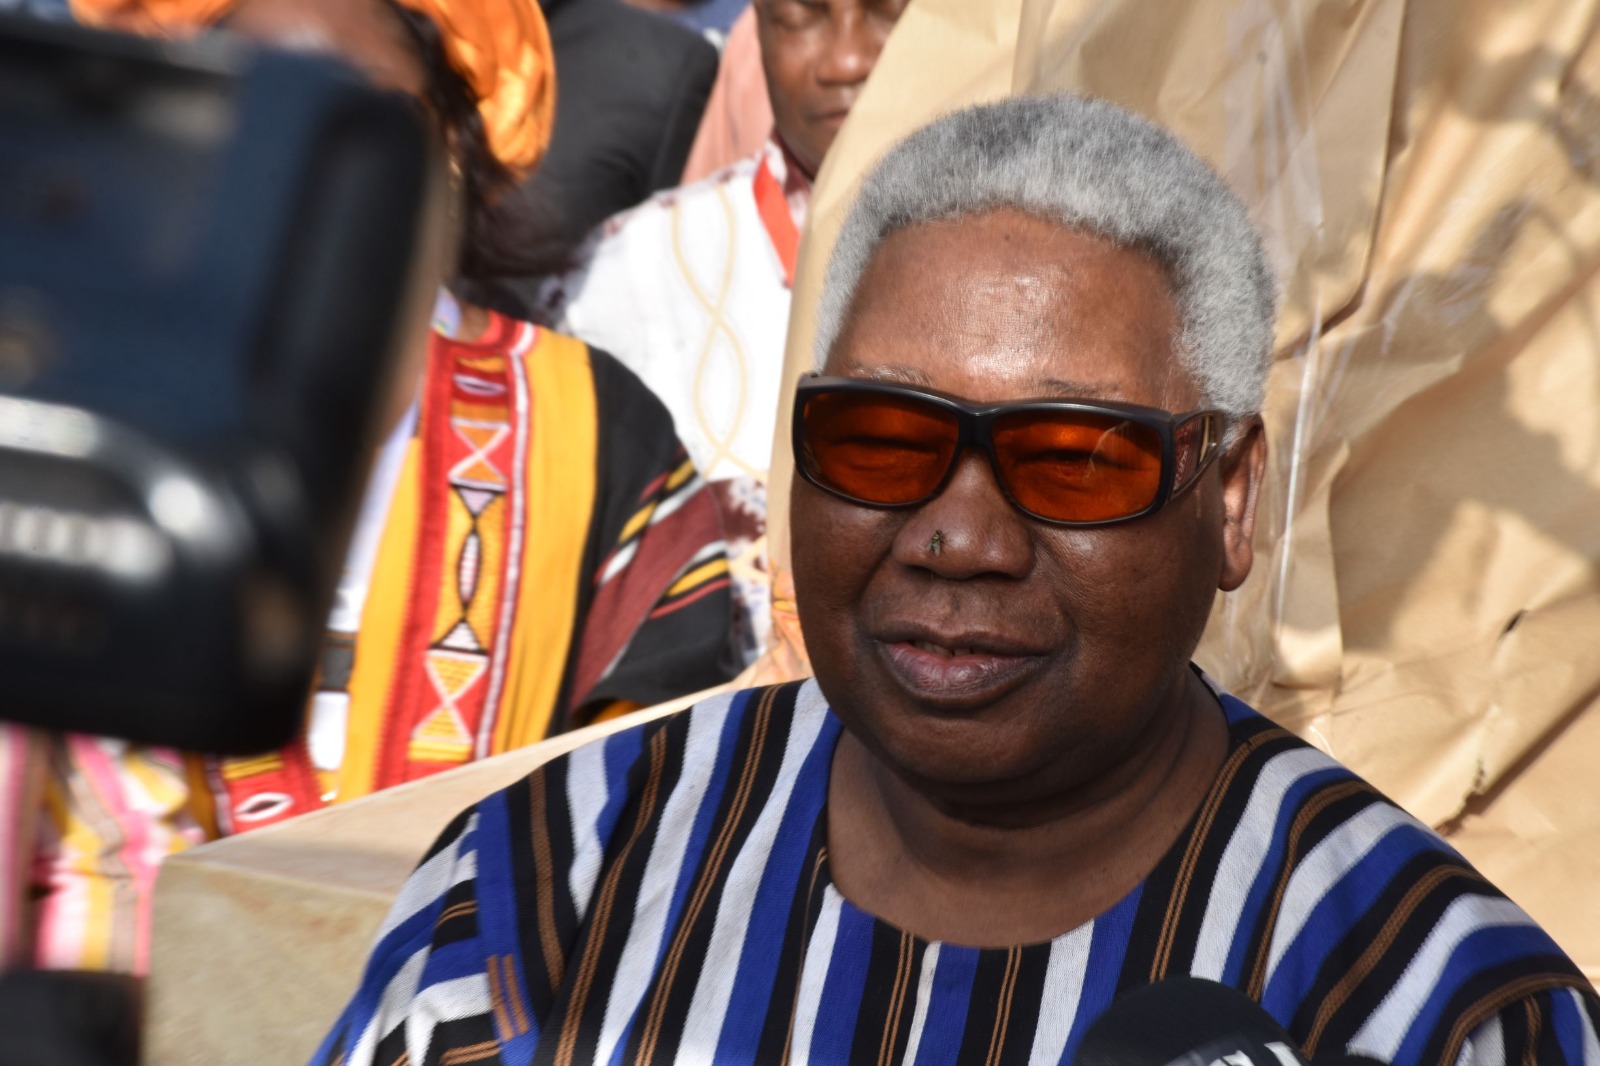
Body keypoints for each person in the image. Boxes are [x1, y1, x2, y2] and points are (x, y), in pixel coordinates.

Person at [314, 95, 1600, 1065]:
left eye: (1074, 460)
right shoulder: (553, 883)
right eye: (882, 439)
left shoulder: (1424, 999)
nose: (959, 536)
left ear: (1227, 500)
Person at [28, 0, 740, 974]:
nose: (301, 175)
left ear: (451, 149)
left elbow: (663, 783)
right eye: (258, 123)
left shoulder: (589, 426)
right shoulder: (79, 425)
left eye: (360, 130)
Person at [535, 0, 908, 662]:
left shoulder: (1058, 266)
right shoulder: (619, 284)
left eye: (887, 10)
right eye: (801, 16)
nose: (846, 60)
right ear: (756, 27)